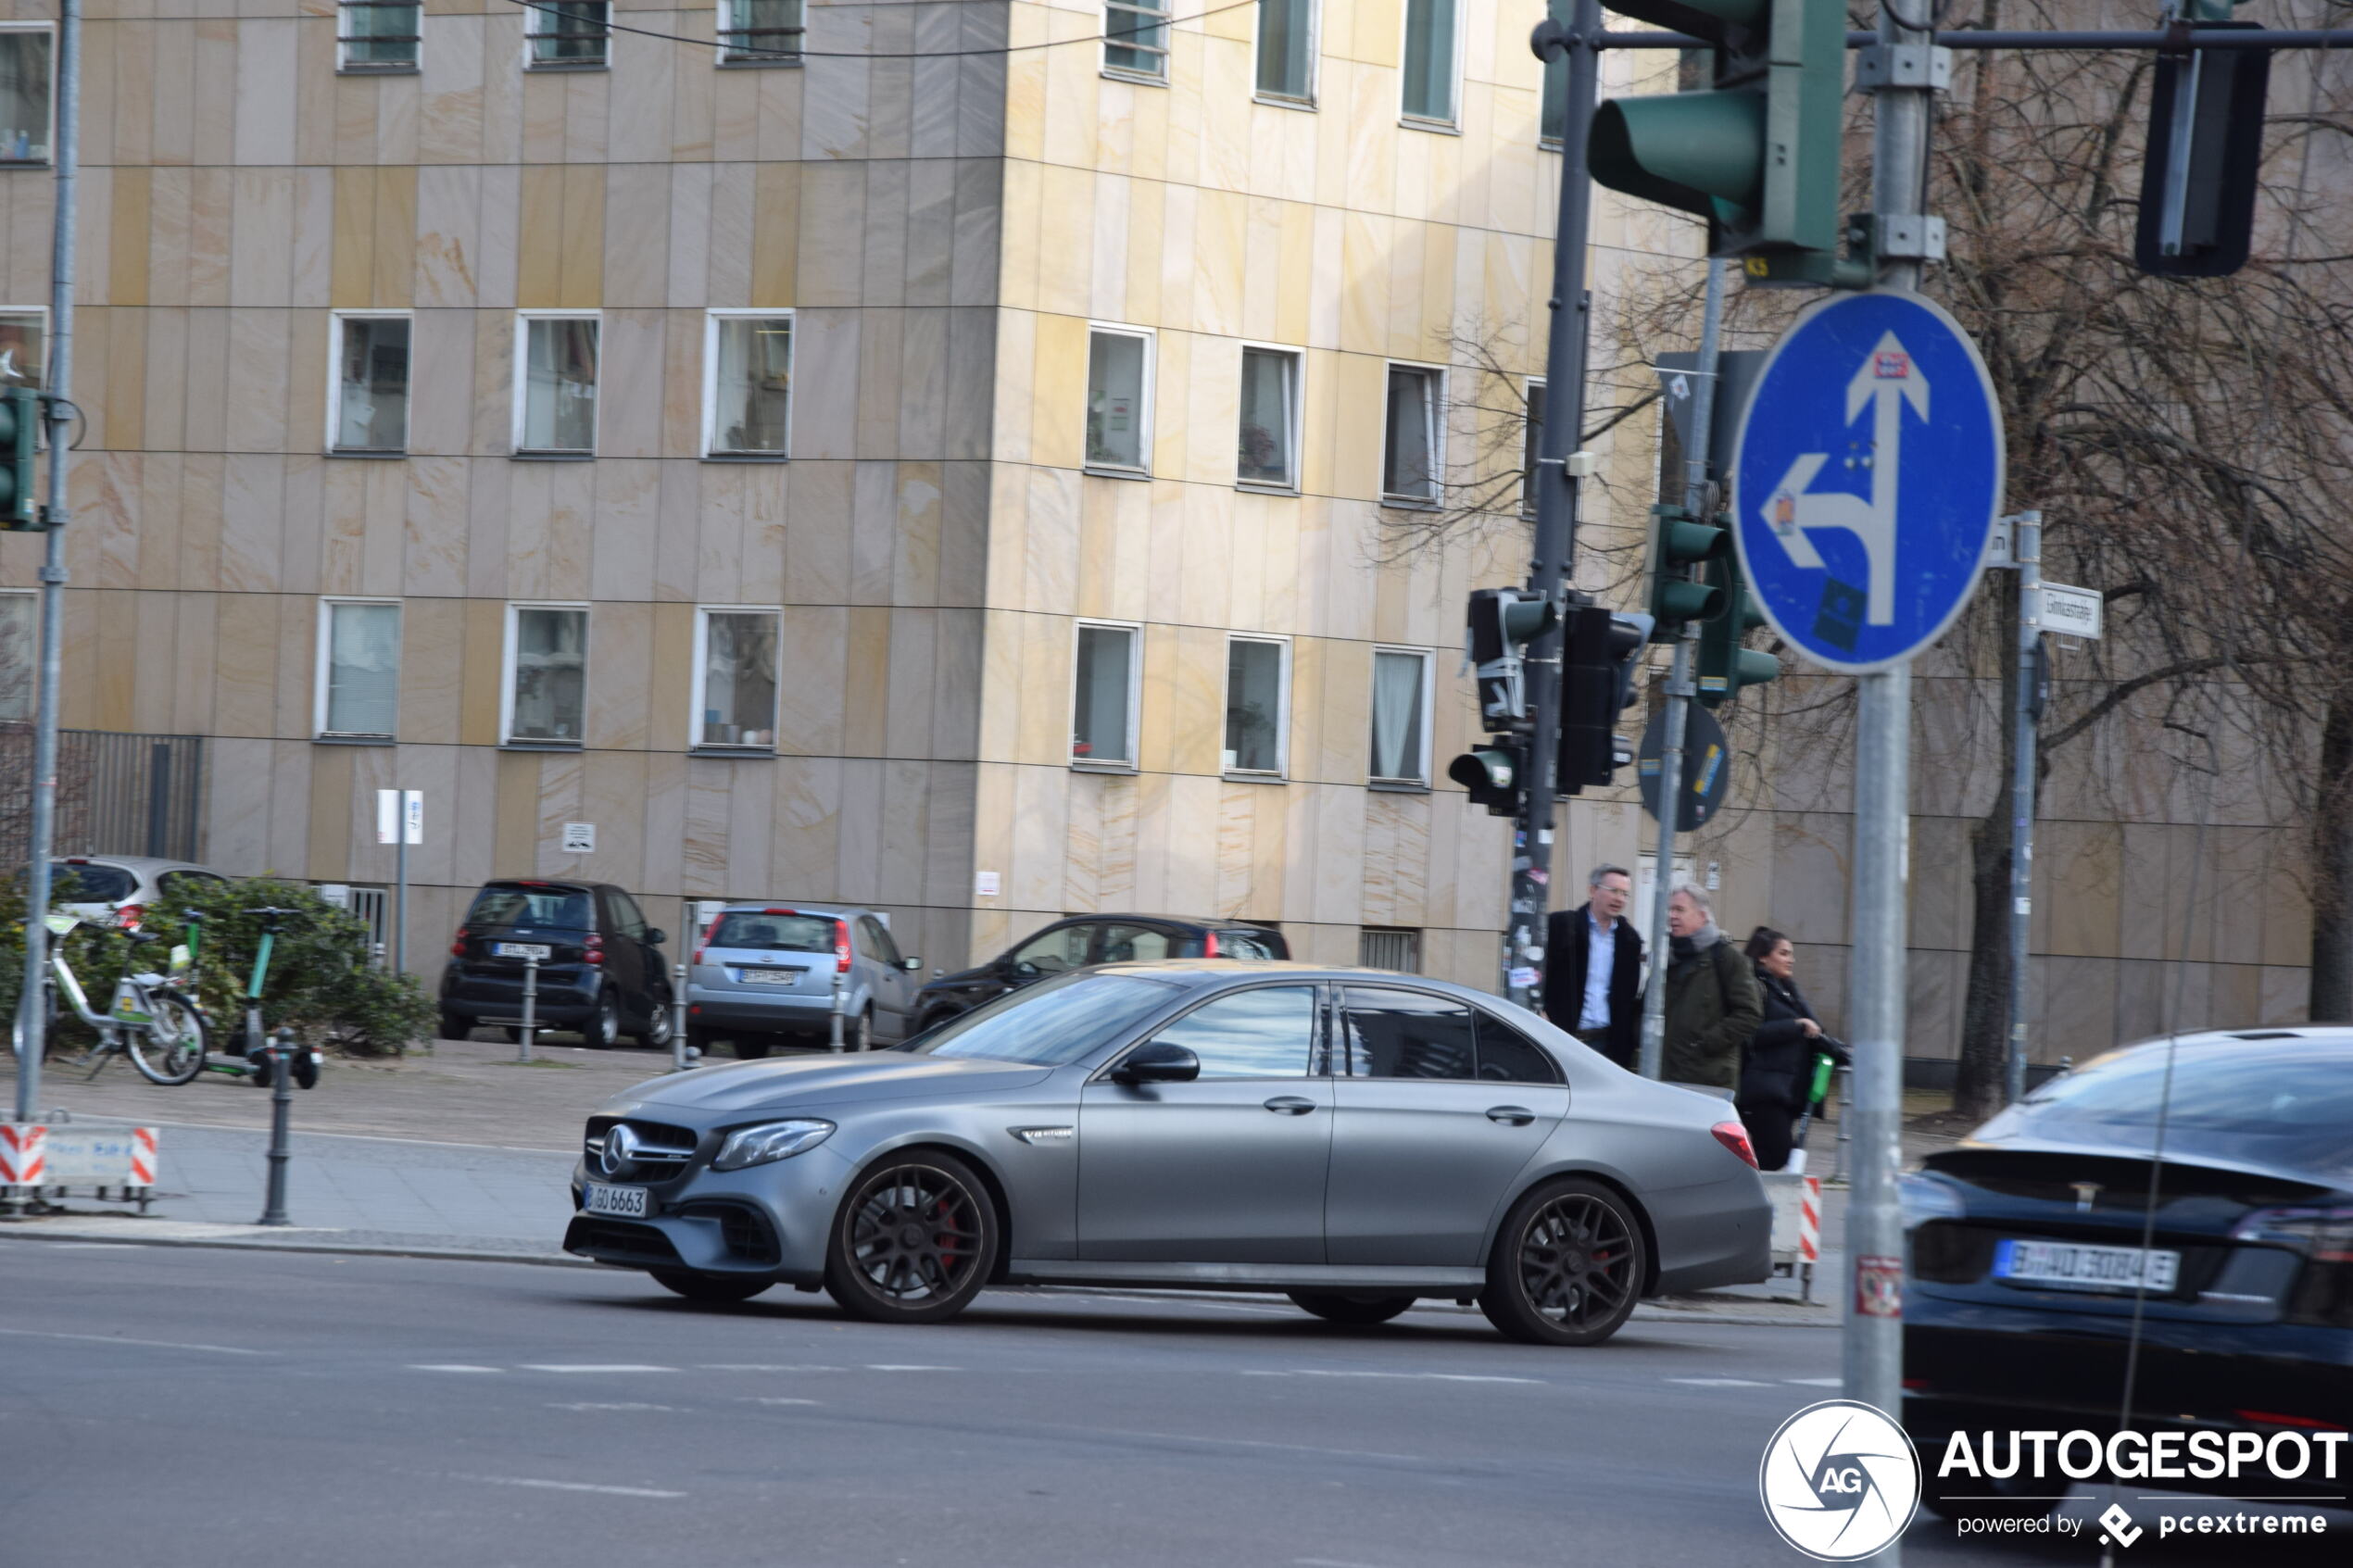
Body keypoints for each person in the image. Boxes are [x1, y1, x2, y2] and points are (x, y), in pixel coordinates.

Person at [1739, 927, 1827, 1172]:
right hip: (1762, 1089)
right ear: (1763, 957)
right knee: (1777, 1154)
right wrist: (1795, 1026)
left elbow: (1817, 1030)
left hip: (1784, 1089)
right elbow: (1750, 1033)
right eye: (1784, 953)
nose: (1791, 959)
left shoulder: (1788, 989)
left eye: (1791, 954)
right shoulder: (1756, 987)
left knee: (1773, 1153)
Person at [1659, 884, 1762, 1091]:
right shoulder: (1670, 958)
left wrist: (1704, 1044)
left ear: (1703, 916)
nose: (1672, 916)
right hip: (1668, 1075)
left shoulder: (1726, 957)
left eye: (1679, 909)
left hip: (1709, 1079)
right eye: (1670, 910)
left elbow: (1749, 1013)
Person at [1542, 864, 1643, 1068]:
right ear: (1593, 890)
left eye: (1625, 894)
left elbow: (1628, 995)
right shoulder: (1561, 926)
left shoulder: (1630, 940)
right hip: (1560, 1038)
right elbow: (1536, 973)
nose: (1619, 899)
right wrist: (1540, 1011)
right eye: (1613, 890)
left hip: (1606, 1044)